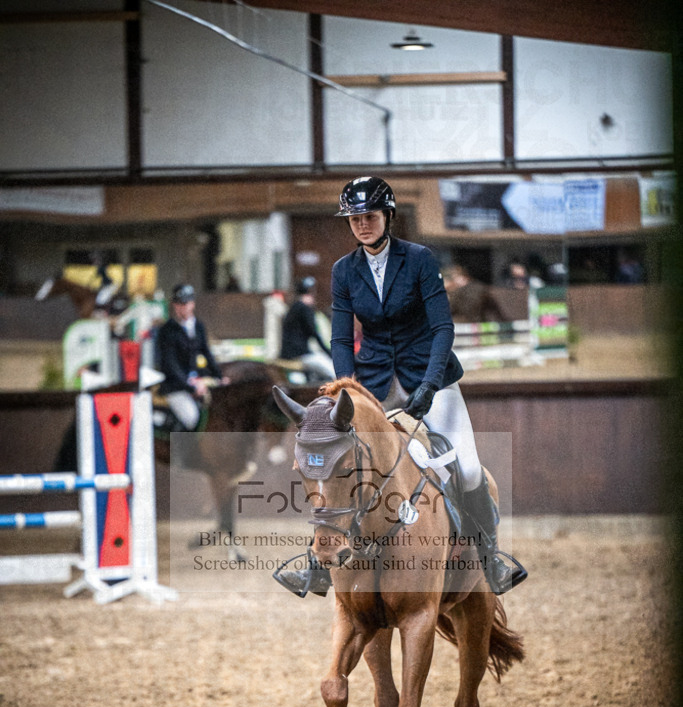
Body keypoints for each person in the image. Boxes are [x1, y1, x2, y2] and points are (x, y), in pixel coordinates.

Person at [278, 176, 527, 598]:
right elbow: (341, 339)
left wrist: (430, 385)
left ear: (387, 217)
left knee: (465, 467)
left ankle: (491, 558)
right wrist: (345, 391)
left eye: (369, 216)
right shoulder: (343, 270)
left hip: (430, 376)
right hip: (373, 384)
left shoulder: (419, 259)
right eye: (354, 218)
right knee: (344, 462)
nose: (361, 224)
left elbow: (442, 327)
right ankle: (318, 564)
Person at [156, 283, 227, 430]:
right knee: (192, 418)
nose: (183, 307)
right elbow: (170, 364)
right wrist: (190, 385)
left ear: (192, 304)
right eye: (179, 304)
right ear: (175, 306)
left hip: (197, 381)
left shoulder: (198, 326)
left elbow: (206, 353)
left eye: (186, 303)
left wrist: (219, 376)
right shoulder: (167, 331)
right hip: (176, 386)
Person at [279, 277, 334, 381]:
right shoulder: (304, 308)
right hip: (299, 354)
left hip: (290, 353)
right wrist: (328, 352)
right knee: (333, 371)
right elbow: (313, 332)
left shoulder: (294, 307)